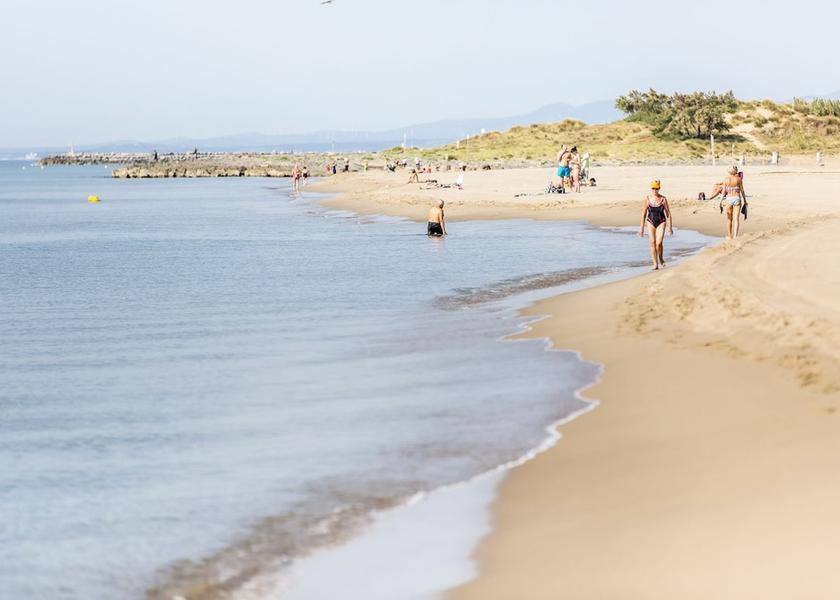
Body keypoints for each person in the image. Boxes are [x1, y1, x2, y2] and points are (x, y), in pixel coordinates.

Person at [638, 179, 673, 270]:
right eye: (653, 188)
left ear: (659, 188)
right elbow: (643, 214)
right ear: (651, 188)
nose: (654, 190)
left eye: (656, 188)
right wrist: (641, 229)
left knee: (659, 243)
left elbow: (668, 214)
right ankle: (655, 264)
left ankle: (661, 258)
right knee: (652, 243)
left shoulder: (663, 199)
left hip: (661, 221)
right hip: (650, 222)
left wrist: (670, 227)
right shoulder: (647, 199)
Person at [719, 165, 747, 239]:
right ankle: (735, 236)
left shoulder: (726, 179)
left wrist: (720, 201)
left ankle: (729, 236)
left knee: (729, 219)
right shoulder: (738, 179)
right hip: (737, 198)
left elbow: (724, 192)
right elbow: (742, 190)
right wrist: (745, 200)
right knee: (736, 219)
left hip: (729, 199)